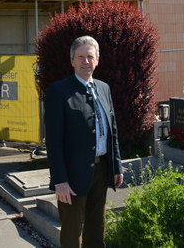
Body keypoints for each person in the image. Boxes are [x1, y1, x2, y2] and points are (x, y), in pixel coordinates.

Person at [44, 35, 124, 247]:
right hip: (71, 176)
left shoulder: (104, 88)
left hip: (101, 169)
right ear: (72, 61)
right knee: (72, 232)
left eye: (90, 56)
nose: (85, 61)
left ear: (97, 59)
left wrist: (117, 167)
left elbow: (112, 131)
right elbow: (53, 141)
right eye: (80, 57)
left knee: (96, 227)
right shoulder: (59, 92)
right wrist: (60, 180)